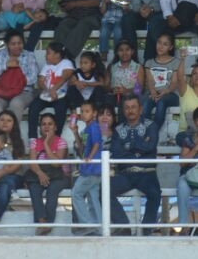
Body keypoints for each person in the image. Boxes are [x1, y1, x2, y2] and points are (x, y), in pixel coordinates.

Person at [108, 95, 162, 231]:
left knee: (155, 193)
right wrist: (140, 145)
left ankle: (146, 229)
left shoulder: (151, 125)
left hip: (147, 173)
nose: (130, 110)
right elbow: (116, 153)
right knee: (104, 190)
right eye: (127, 108)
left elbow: (150, 147)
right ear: (123, 110)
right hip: (125, 174)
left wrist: (128, 147)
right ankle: (123, 226)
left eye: (133, 107)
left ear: (141, 109)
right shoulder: (117, 129)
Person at [26, 110, 71, 234]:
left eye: (50, 124)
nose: (46, 127)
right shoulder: (34, 142)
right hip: (40, 175)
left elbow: (57, 164)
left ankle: (48, 223)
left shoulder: (61, 142)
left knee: (52, 190)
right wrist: (40, 173)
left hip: (61, 176)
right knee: (34, 188)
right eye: (44, 124)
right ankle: (42, 222)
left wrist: (46, 144)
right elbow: (32, 163)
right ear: (40, 127)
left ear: (55, 127)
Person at [0, 30, 40, 126]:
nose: (17, 46)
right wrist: (5, 66)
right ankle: (2, 134)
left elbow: (34, 78)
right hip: (3, 92)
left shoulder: (29, 56)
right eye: (13, 44)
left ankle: (14, 136)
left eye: (19, 43)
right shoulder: (0, 55)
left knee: (16, 103)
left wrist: (17, 78)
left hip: (24, 92)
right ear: (7, 45)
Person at [70, 102, 108, 234]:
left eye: (87, 111)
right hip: (90, 168)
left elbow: (97, 144)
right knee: (93, 197)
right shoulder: (85, 129)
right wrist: (75, 132)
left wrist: (89, 158)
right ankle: (100, 227)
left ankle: (87, 223)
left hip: (92, 168)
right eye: (83, 111)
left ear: (94, 113)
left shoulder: (95, 126)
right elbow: (81, 149)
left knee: (76, 193)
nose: (84, 114)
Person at [141, 32, 184, 134]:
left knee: (161, 102)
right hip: (153, 93)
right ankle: (144, 130)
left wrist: (166, 91)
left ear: (171, 47)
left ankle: (153, 132)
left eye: (165, 44)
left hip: (170, 94)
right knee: (146, 103)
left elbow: (174, 82)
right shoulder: (149, 62)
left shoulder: (176, 62)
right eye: (159, 43)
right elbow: (150, 81)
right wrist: (153, 92)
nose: (161, 46)